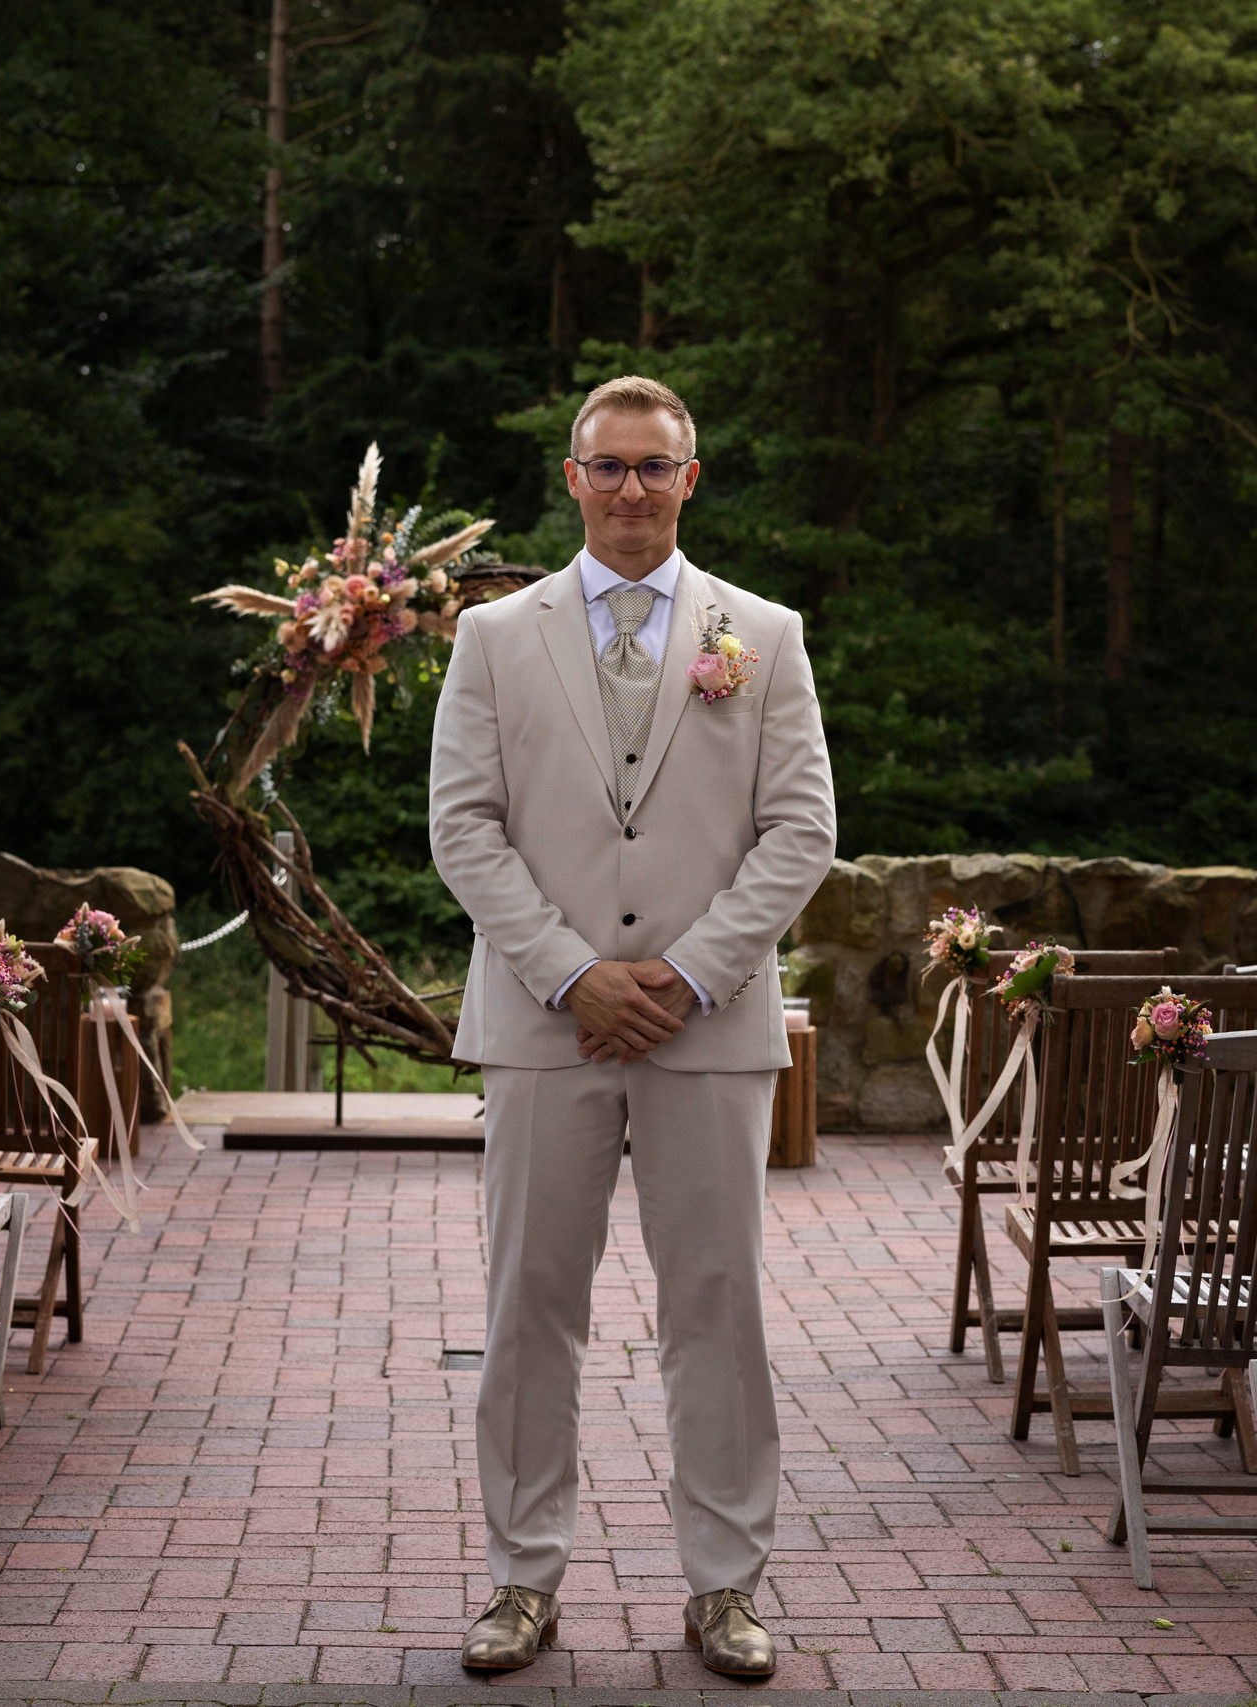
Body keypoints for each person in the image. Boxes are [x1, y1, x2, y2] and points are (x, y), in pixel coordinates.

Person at [427, 375, 837, 1677]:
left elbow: (802, 830)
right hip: (545, 1029)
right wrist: (568, 973)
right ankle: (519, 1581)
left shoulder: (761, 634)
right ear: (571, 479)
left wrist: (692, 971)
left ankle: (726, 1586)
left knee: (716, 1309)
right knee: (529, 1305)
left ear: (690, 480)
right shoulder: (496, 638)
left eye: (654, 467)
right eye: (607, 466)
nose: (630, 489)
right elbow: (463, 826)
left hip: (707, 1031)